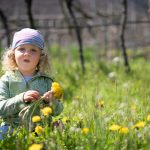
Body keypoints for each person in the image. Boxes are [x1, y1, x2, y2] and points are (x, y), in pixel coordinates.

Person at [0, 28, 63, 139]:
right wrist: (21, 98)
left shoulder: (46, 81)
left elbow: (58, 111)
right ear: (13, 54)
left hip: (39, 129)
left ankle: (52, 132)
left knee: (56, 130)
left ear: (41, 56)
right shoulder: (6, 80)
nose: (27, 54)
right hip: (11, 128)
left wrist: (52, 102)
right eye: (21, 49)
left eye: (33, 50)